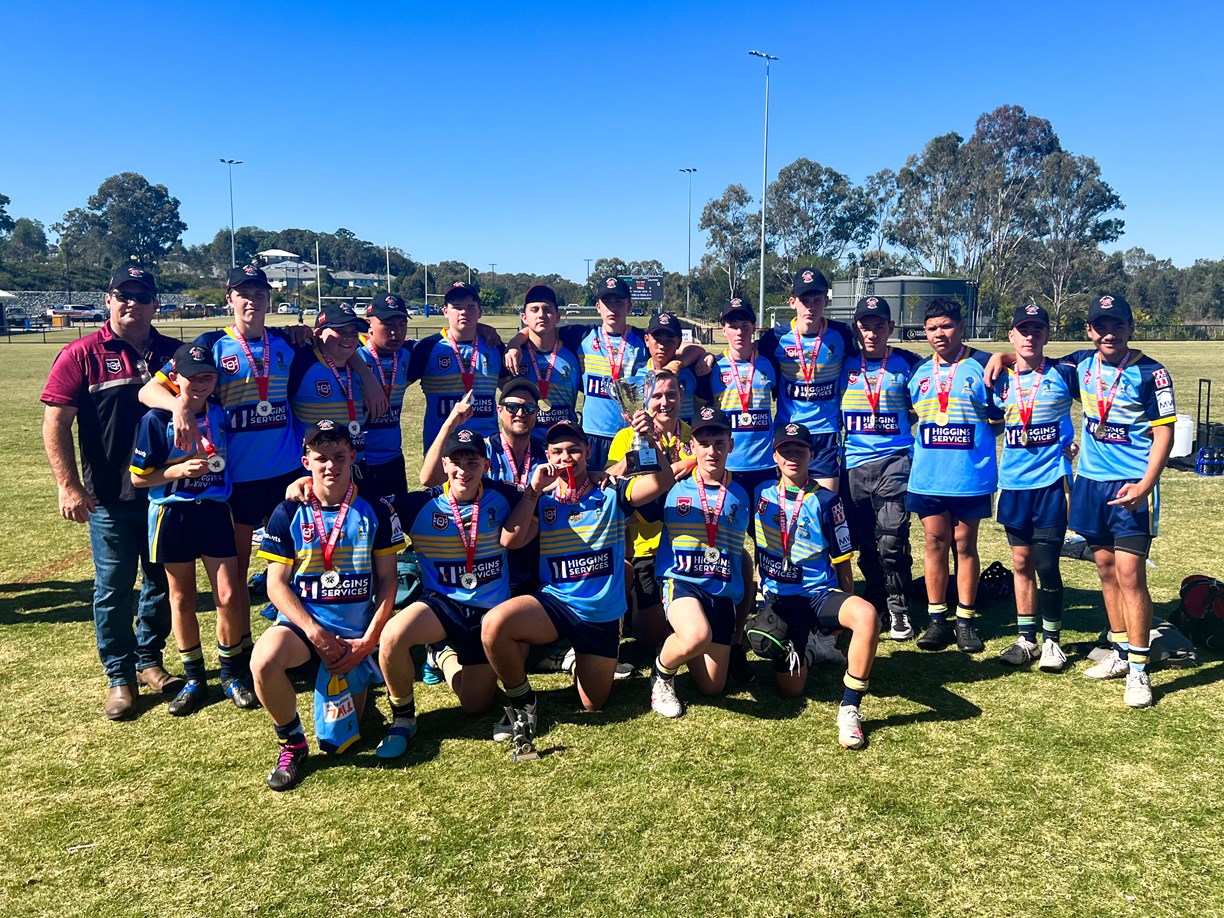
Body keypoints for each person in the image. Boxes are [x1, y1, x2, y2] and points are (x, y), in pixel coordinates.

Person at [482, 419, 674, 759]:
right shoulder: (543, 499)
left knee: (592, 704)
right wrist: (532, 492)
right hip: (557, 603)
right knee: (495, 625)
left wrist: (647, 441)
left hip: (600, 615)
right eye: (557, 451)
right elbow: (511, 540)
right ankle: (523, 701)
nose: (565, 457)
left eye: (573, 450)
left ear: (587, 452)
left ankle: (572, 658)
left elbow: (662, 481)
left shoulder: (611, 490)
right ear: (548, 456)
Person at [41, 265, 180, 720]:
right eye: (123, 295)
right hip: (109, 497)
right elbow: (56, 422)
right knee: (114, 588)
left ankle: (149, 660)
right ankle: (119, 675)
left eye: (141, 296)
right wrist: (68, 485)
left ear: (155, 304)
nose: (131, 303)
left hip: (166, 493)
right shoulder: (81, 353)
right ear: (108, 300)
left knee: (162, 581)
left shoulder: (174, 353)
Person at [251, 420, 404, 791]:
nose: (330, 465)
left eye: (339, 456)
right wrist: (313, 630)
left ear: (352, 455)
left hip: (353, 639)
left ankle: (361, 682)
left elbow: (388, 581)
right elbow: (275, 585)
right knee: (263, 661)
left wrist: (368, 643)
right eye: (321, 458)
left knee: (342, 740)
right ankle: (292, 744)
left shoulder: (376, 509)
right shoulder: (288, 511)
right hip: (304, 628)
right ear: (306, 462)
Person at [375, 427, 521, 759]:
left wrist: (598, 475)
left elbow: (548, 492)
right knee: (393, 636)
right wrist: (306, 485)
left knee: (475, 705)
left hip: (489, 614)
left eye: (472, 462)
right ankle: (403, 718)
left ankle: (441, 655)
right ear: (444, 464)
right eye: (456, 462)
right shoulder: (420, 504)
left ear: (486, 465)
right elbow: (368, 504)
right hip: (441, 606)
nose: (463, 471)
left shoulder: (504, 495)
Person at [1063, 295, 1175, 707]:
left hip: (1131, 486)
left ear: (1131, 328)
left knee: (1131, 576)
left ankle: (1140, 671)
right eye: (1101, 326)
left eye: (1118, 325)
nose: (1109, 333)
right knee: (1106, 571)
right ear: (1089, 330)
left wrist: (1146, 485)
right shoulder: (1079, 364)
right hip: (1091, 483)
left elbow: (1164, 433)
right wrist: (1002, 356)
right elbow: (1035, 366)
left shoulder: (1151, 372)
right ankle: (1120, 651)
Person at [129, 344, 250, 714]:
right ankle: (195, 678)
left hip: (213, 510)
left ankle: (231, 674)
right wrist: (177, 471)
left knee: (228, 594)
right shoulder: (155, 419)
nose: (200, 382)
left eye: (208, 376)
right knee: (181, 598)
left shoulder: (220, 413)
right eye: (192, 376)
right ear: (175, 378)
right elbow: (138, 479)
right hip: (172, 514)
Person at [750, 422, 879, 749]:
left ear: (811, 454)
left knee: (866, 616)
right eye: (785, 450)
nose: (792, 457)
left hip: (819, 595)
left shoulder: (827, 500)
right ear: (775, 455)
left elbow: (842, 562)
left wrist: (840, 627)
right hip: (781, 603)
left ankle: (849, 707)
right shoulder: (760, 492)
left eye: (800, 450)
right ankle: (810, 648)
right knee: (792, 691)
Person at [906, 298, 1003, 654]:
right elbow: (911, 417)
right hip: (928, 476)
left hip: (969, 476)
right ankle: (937, 620)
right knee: (934, 543)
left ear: (961, 327)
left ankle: (965, 620)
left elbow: (999, 419)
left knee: (964, 545)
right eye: (932, 328)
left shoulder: (984, 365)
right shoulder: (918, 372)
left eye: (946, 326)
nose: (939, 334)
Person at [695, 298, 781, 678]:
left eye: (745, 323)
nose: (739, 329)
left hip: (763, 471)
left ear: (754, 327)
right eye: (732, 324)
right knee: (726, 547)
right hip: (727, 470)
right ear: (724, 329)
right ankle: (724, 624)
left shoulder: (769, 364)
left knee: (769, 543)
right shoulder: (712, 367)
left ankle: (771, 608)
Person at [650, 406, 751, 719]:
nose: (712, 451)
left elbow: (745, 554)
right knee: (696, 635)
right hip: (682, 582)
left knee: (712, 687)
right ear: (691, 446)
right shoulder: (673, 485)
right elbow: (634, 490)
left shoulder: (741, 494)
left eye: (719, 443)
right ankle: (661, 676)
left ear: (730, 445)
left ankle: (682, 642)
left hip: (720, 591)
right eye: (704, 444)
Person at [993, 304, 1078, 673]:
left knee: (1046, 563)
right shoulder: (999, 378)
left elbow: (1100, 402)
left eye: (1037, 330)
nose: (1030, 337)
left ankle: (1052, 641)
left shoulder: (1065, 373)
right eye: (1023, 331)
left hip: (1051, 482)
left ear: (1047, 335)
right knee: (1021, 563)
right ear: (1011, 335)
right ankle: (1026, 638)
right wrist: (1000, 357)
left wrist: (1079, 443)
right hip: (1013, 483)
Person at [838, 297, 923, 640]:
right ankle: (876, 596)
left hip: (895, 461)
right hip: (853, 466)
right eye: (865, 327)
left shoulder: (908, 364)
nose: (872, 333)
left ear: (891, 327)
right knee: (865, 542)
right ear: (856, 330)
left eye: (879, 326)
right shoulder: (843, 365)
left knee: (891, 537)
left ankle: (899, 607)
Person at [606, 369, 696, 649]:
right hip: (647, 546)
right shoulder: (625, 437)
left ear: (682, 396)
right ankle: (633, 599)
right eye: (657, 396)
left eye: (671, 394)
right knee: (651, 641)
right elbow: (609, 480)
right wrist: (639, 447)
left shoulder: (695, 436)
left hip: (688, 544)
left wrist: (690, 461)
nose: (664, 402)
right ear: (645, 400)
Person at [757, 268, 856, 492]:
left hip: (826, 432)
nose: (811, 307)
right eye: (805, 301)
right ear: (792, 302)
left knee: (826, 502)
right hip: (788, 430)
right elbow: (747, 359)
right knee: (790, 502)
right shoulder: (774, 338)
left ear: (826, 301)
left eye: (817, 300)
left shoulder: (842, 333)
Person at [407, 282, 504, 452]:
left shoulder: (494, 345)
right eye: (457, 307)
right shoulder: (427, 347)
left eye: (471, 307)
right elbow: (398, 386)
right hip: (441, 446)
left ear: (480, 312)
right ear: (445, 311)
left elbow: (510, 391)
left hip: (486, 446)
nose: (464, 312)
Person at [288, 303, 371, 481]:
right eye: (340, 331)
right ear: (318, 334)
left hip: (355, 467)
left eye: (353, 332)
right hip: (317, 473)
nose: (349, 338)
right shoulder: (301, 363)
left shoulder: (359, 367)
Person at [359, 293, 417, 498]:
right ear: (369, 324)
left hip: (392, 460)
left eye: (402, 324)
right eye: (387, 324)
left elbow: (451, 338)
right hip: (357, 462)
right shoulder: (350, 352)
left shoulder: (409, 352)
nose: (396, 332)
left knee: (396, 517)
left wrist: (481, 328)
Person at [508, 284, 581, 442]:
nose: (541, 315)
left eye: (547, 309)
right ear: (524, 317)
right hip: (526, 444)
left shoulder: (573, 355)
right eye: (534, 310)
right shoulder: (514, 355)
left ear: (557, 317)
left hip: (563, 442)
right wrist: (514, 343)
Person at [641, 311, 699, 424]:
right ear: (647, 340)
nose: (662, 346)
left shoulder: (692, 369)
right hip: (653, 433)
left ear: (679, 343)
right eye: (657, 339)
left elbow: (698, 350)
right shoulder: (639, 373)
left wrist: (677, 364)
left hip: (686, 433)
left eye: (669, 340)